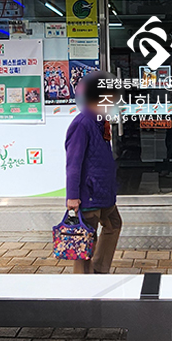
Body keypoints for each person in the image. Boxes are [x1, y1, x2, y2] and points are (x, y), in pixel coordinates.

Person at [65, 72, 122, 274]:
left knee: (114, 224)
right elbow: (73, 163)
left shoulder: (100, 121)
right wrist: (72, 196)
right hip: (88, 193)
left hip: (103, 192)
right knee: (86, 237)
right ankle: (83, 281)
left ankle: (99, 270)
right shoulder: (82, 123)